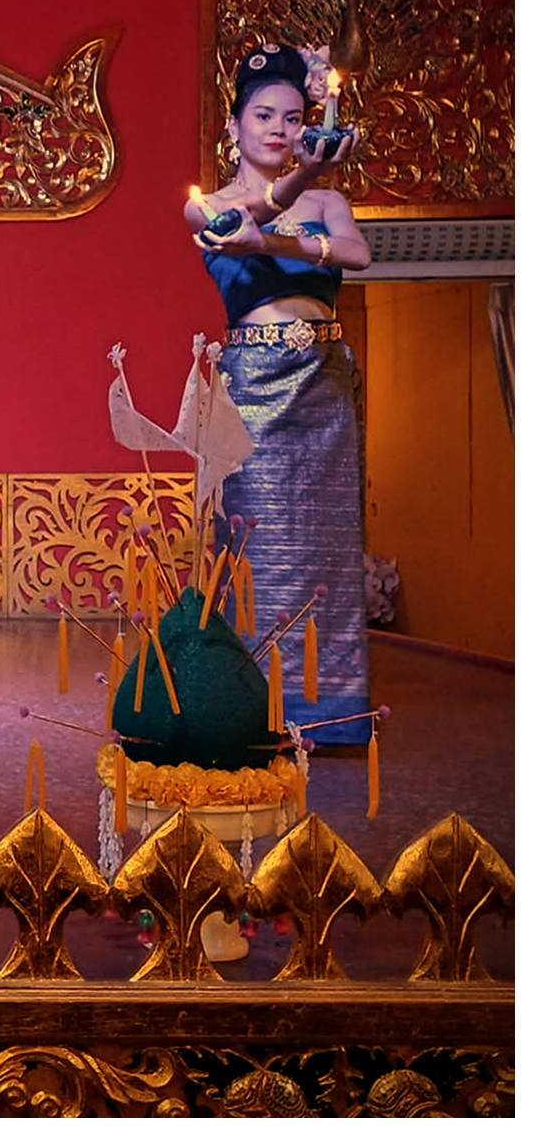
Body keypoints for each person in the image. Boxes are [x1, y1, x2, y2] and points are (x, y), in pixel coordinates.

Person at [184, 41, 371, 742]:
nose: (278, 129)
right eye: (263, 115)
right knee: (256, 548)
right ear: (233, 126)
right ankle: (254, 711)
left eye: (294, 118)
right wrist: (296, 196)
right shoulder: (210, 206)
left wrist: (278, 238)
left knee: (329, 552)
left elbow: (357, 254)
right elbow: (251, 219)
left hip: (324, 380)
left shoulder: (328, 198)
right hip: (254, 386)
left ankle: (330, 714)